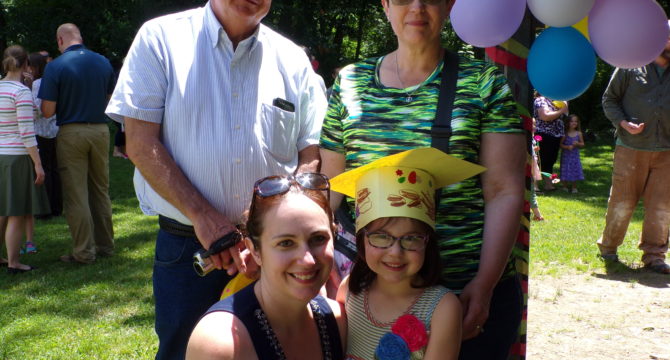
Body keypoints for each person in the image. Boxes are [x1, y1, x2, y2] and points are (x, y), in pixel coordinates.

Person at [105, 1, 328, 358]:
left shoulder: (292, 58)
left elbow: (310, 154)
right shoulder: (160, 39)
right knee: (183, 350)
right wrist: (205, 218)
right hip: (190, 251)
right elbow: (140, 143)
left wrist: (275, 232)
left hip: (274, 254)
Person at [319, 1, 526, 358]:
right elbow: (330, 190)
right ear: (384, 6)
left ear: (448, 5)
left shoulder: (483, 82)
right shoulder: (350, 82)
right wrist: (319, 265)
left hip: (467, 292)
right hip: (373, 301)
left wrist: (486, 282)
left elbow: (503, 190)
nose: (416, 7)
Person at [331, 148, 477, 359]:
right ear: (362, 238)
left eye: (411, 238)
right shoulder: (351, 291)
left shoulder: (442, 309)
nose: (395, 252)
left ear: (427, 242)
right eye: (381, 236)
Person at [186, 173, 345, 359]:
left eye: (318, 239)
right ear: (254, 251)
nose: (308, 260)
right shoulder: (220, 343)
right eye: (286, 243)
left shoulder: (337, 320)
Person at [38, 23, 116, 265]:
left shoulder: (56, 66)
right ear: (79, 37)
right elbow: (110, 99)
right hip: (101, 130)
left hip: (72, 132)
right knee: (100, 190)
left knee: (76, 194)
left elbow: (48, 111)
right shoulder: (103, 62)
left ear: (60, 40)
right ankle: (106, 246)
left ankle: (83, 252)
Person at [597, 20, 670, 274]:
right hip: (631, 146)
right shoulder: (631, 65)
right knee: (622, 201)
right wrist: (623, 123)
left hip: (666, 151)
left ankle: (655, 256)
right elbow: (610, 99)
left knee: (662, 206)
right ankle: (608, 249)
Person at [0, 45, 50, 274]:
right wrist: (38, 163)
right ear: (26, 66)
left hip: (1, 155)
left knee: (2, 209)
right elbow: (27, 132)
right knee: (17, 212)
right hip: (17, 157)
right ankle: (14, 262)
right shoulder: (20, 93)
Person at [29, 51, 61, 218]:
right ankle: (57, 207)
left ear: (34, 67)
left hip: (42, 132)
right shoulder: (52, 81)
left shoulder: (36, 84)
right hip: (55, 130)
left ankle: (44, 210)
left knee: (44, 170)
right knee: (55, 169)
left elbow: (36, 111)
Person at [533, 92, 568, 191]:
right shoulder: (541, 100)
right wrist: (561, 110)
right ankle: (535, 185)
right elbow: (545, 116)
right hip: (543, 134)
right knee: (539, 160)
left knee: (550, 160)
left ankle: (548, 185)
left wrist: (564, 105)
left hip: (555, 135)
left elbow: (566, 113)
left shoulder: (556, 101)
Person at [559, 114, 584, 193]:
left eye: (576, 121)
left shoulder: (579, 133)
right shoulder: (565, 133)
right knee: (565, 169)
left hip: (575, 156)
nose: (574, 123)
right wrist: (567, 147)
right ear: (568, 123)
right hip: (566, 156)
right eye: (572, 121)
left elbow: (582, 144)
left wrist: (578, 144)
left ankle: (574, 187)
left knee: (574, 169)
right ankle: (565, 186)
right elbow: (560, 144)